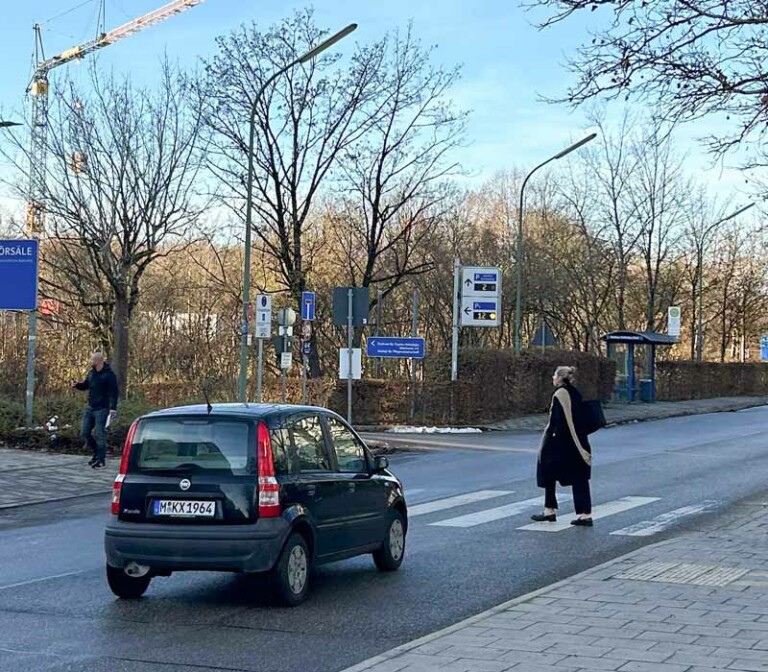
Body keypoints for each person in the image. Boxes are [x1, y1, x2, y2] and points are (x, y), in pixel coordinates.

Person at [531, 366, 593, 526]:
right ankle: (584, 514)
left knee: (548, 472)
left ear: (560, 378)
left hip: (562, 444)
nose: (552, 378)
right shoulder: (575, 393)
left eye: (554, 375)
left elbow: (557, 422)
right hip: (579, 441)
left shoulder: (560, 394)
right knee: (579, 478)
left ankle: (549, 510)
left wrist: (548, 443)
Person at [72, 351, 119, 469]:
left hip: (102, 409)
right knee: (84, 433)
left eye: (93, 359)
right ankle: (96, 453)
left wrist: (113, 408)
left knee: (99, 434)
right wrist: (77, 385)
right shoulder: (91, 373)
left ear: (99, 361)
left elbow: (114, 392)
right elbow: (86, 385)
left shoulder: (109, 375)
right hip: (90, 407)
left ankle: (101, 459)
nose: (91, 361)